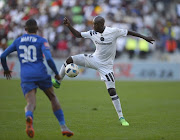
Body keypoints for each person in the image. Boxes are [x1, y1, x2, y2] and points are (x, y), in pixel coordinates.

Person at [53, 16, 155, 126]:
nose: (93, 26)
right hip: (94, 59)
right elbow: (78, 35)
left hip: (106, 66)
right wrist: (69, 26)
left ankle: (121, 118)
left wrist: (145, 37)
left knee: (112, 91)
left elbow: (129, 32)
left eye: (95, 24)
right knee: (70, 59)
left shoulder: (113, 31)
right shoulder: (92, 33)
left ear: (102, 25)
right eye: (93, 24)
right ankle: (58, 80)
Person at [0, 19, 73, 138]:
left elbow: (3, 56)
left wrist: (6, 69)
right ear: (37, 29)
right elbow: (48, 59)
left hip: (26, 75)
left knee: (30, 102)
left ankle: (29, 116)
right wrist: (56, 73)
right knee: (52, 97)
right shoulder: (41, 40)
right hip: (41, 73)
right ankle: (63, 126)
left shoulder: (18, 41)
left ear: (25, 29)